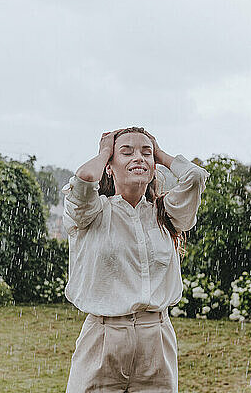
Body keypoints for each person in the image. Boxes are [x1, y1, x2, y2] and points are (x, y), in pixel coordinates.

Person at [62, 127, 210, 392]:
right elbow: (84, 178)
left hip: (157, 338)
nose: (138, 158)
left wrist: (160, 155)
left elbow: (195, 177)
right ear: (109, 167)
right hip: (103, 336)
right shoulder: (92, 213)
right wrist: (105, 151)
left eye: (145, 153)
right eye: (126, 152)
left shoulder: (166, 213)